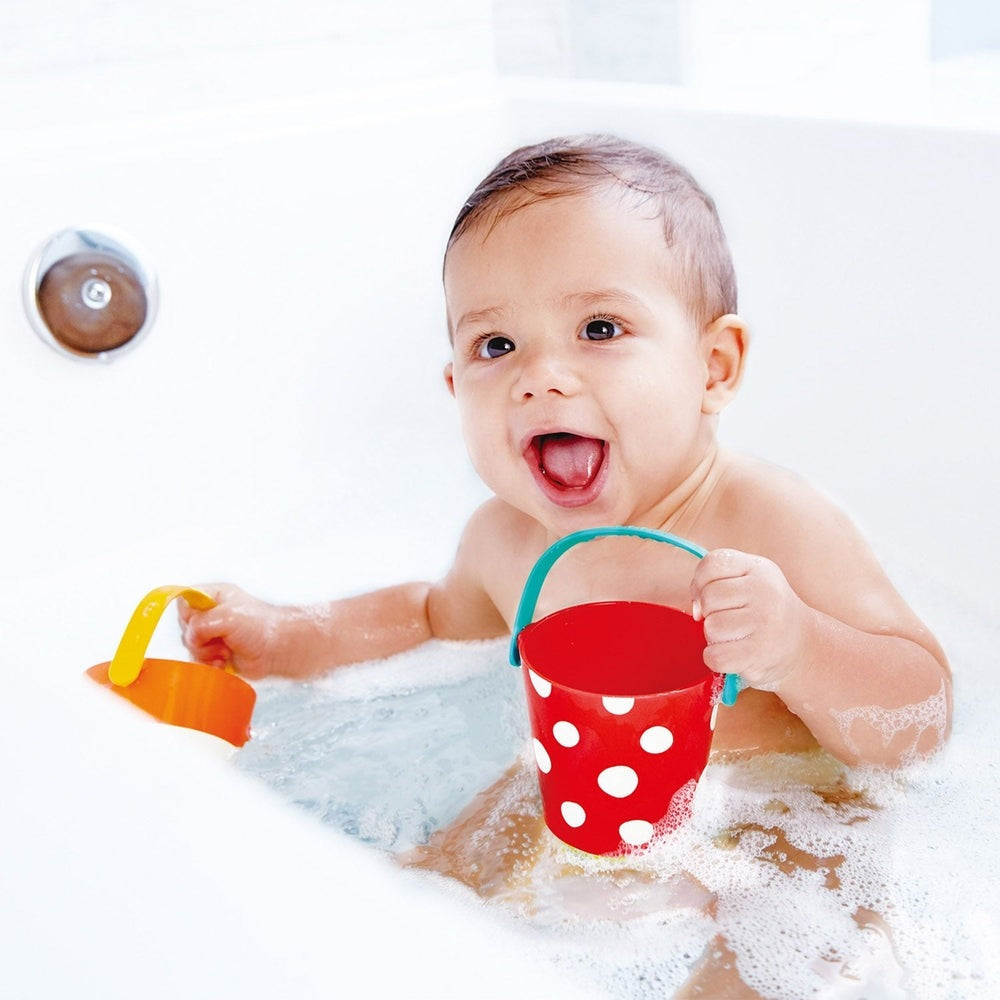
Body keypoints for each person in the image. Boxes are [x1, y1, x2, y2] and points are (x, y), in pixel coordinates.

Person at [179, 134, 951, 771]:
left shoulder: (770, 522)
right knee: (450, 873)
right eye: (497, 344)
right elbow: (425, 616)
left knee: (784, 936)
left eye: (600, 329)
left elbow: (925, 713)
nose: (539, 378)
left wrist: (799, 646)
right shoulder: (503, 541)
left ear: (713, 368)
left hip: (772, 816)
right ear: (455, 386)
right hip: (571, 796)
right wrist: (288, 634)